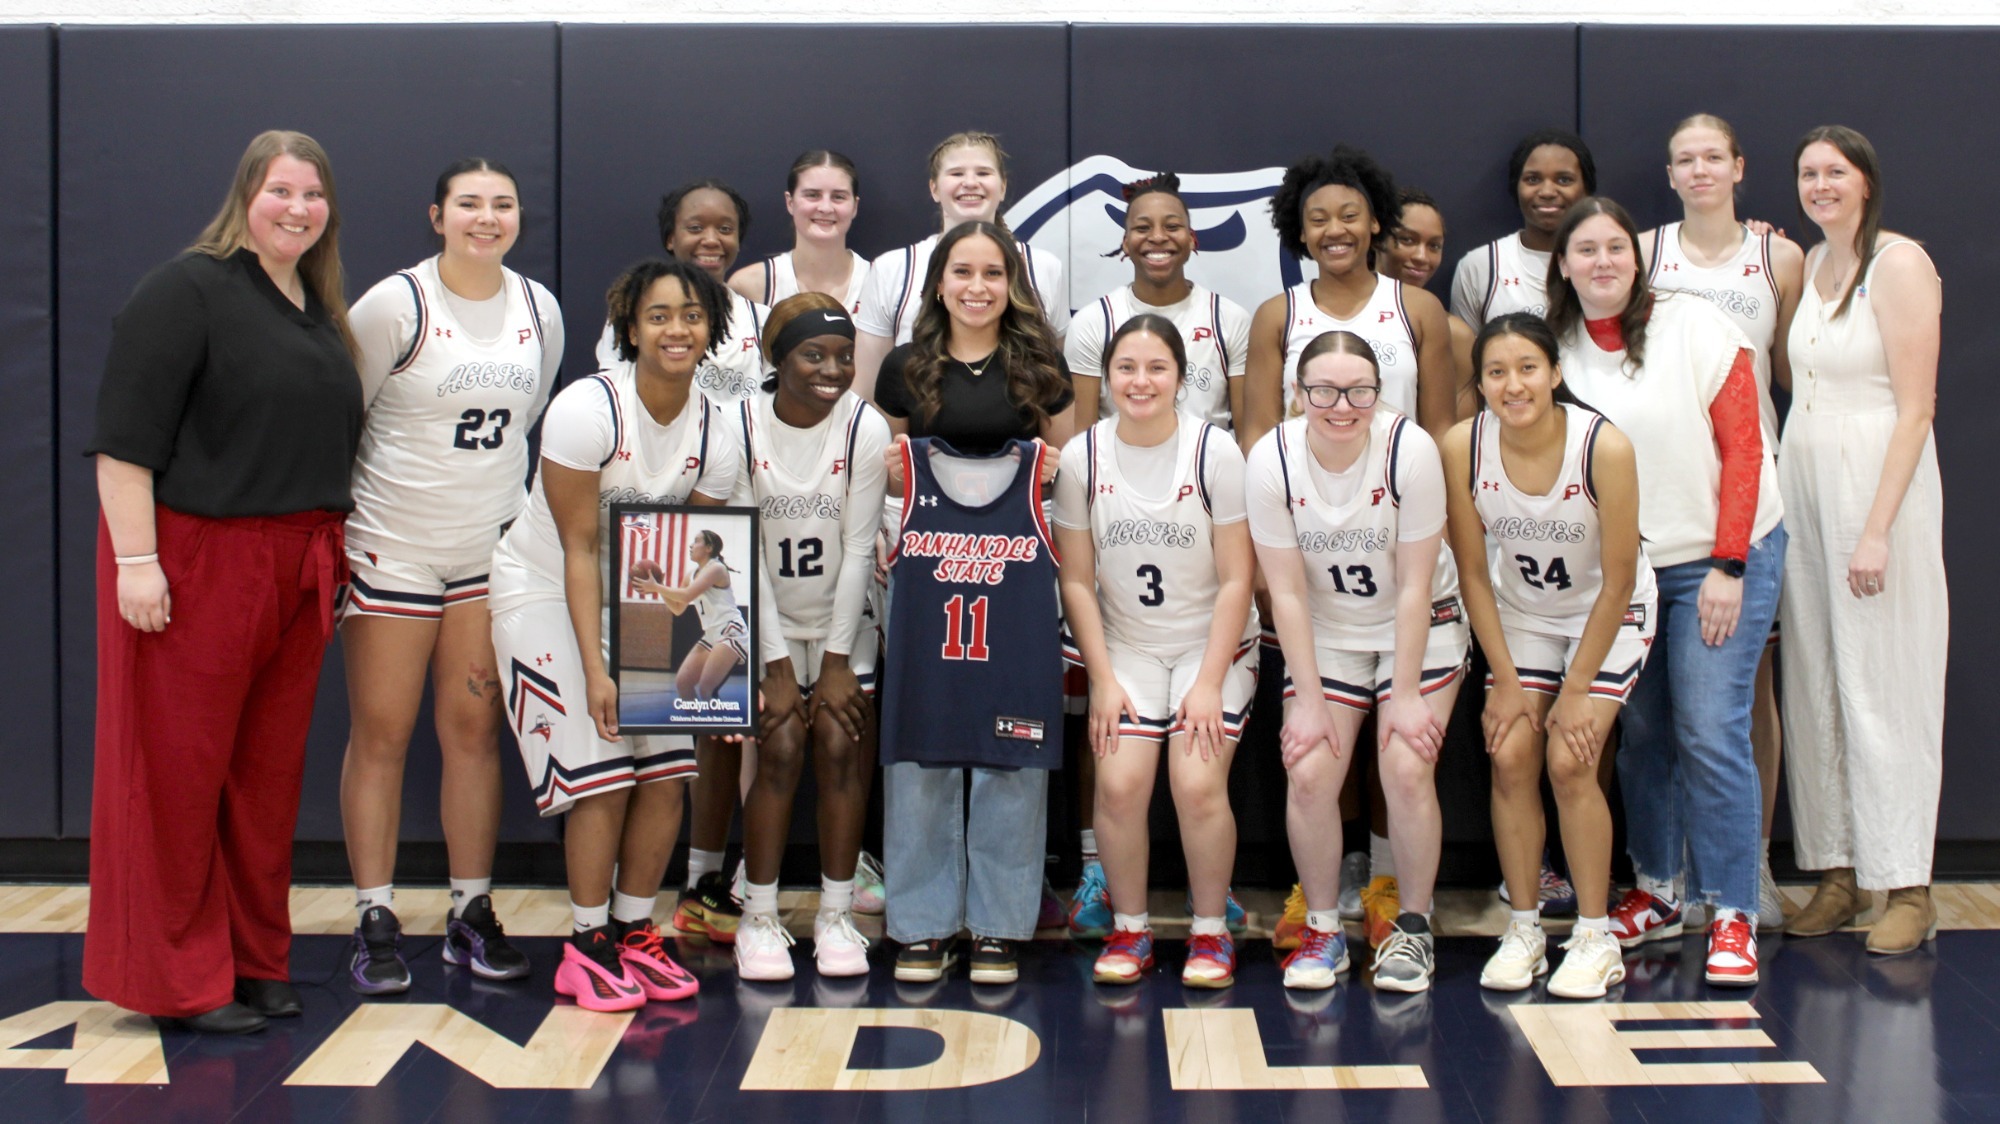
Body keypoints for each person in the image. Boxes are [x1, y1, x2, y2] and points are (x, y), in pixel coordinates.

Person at [84, 130, 361, 1034]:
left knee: (264, 778)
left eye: (313, 195)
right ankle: (178, 979)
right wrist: (137, 564)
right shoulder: (185, 290)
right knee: (176, 776)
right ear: (247, 194)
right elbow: (125, 445)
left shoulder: (316, 309)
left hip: (297, 563)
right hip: (196, 559)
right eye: (281, 190)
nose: (298, 208)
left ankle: (254, 960)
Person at [488, 258, 742, 1012]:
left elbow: (681, 559)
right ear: (631, 328)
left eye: (691, 316)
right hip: (543, 589)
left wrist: (714, 695)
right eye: (659, 315)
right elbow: (579, 548)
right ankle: (586, 943)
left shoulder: (715, 436)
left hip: (632, 597)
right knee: (601, 773)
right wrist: (598, 672)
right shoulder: (586, 408)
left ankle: (635, 931)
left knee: (668, 772)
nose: (677, 329)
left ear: (711, 330)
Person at [1546, 197, 1785, 987]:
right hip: (1627, 576)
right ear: (1565, 265)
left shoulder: (1697, 326)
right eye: (1586, 250)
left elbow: (1745, 446)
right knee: (1644, 735)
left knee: (1712, 730)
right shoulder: (1556, 349)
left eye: (1616, 246)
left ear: (1637, 258)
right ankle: (1658, 888)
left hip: (1722, 555)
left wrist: (1729, 566)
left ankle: (1732, 911)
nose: (1603, 262)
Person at [337, 157, 562, 996]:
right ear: (438, 215)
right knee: (383, 732)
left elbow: (527, 419)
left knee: (473, 733)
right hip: (392, 544)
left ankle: (469, 911)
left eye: (502, 204)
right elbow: (345, 414)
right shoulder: (398, 304)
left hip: (484, 551)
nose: (486, 218)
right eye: (469, 204)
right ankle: (374, 914)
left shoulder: (539, 306)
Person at [874, 219, 1075, 986]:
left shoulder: (1039, 369)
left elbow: (1069, 467)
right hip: (928, 576)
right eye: (963, 272)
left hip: (1018, 574)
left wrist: (1037, 474)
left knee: (1011, 746)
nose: (978, 287)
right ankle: (922, 923)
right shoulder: (906, 368)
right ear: (939, 282)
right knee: (922, 736)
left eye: (993, 273)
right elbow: (885, 471)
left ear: (1012, 283)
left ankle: (997, 923)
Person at [1441, 314, 1657, 999]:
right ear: (1479, 384)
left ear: (1556, 373)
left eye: (1527, 368)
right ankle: (1526, 927)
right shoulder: (1461, 446)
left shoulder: (1605, 448)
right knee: (1509, 753)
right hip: (1525, 611)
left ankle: (1595, 937)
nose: (1514, 385)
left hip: (1608, 611)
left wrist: (1576, 689)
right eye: (1496, 372)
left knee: (1570, 758)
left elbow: (1619, 577)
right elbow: (1472, 572)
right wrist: (1505, 681)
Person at [1246, 331, 1467, 994]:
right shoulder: (1271, 458)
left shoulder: (1411, 449)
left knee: (1404, 764)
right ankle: (1322, 929)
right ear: (1297, 393)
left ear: (1380, 393)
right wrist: (1308, 698)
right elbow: (1283, 589)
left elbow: (1415, 586)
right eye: (1324, 390)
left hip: (1420, 626)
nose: (1342, 405)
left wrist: (1402, 693)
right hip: (1329, 632)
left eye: (1359, 390)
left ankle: (1414, 928)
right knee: (1311, 769)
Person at [1780, 125, 1946, 955]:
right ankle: (1838, 872)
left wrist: (1876, 529)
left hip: (1876, 481)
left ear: (1866, 180)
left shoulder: (1902, 263)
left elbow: (1916, 409)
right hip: (1804, 477)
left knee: (1886, 680)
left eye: (1834, 172)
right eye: (1808, 174)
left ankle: (1908, 884)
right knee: (1816, 684)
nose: (1820, 185)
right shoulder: (1812, 264)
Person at [1055, 315, 1258, 989]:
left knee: (1196, 784)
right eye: (1126, 369)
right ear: (1107, 379)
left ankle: (1209, 931)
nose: (1141, 381)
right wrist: (1103, 678)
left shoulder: (1215, 452)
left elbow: (1237, 580)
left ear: (1181, 377)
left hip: (1212, 642)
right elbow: (1077, 581)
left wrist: (1207, 681)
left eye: (1156, 368)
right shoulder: (1084, 456)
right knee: (1118, 783)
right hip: (1129, 645)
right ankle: (1132, 929)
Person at [1639, 114, 1806, 930]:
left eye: (1714, 157)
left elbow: (1790, 374)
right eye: (1685, 159)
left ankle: (1750, 871)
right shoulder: (1640, 253)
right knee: (1660, 719)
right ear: (1669, 173)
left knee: (1739, 703)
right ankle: (1667, 883)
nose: (1700, 169)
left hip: (1746, 498)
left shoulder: (1778, 256)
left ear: (1740, 166)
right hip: (1666, 508)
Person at [721, 294, 891, 980]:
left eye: (845, 356)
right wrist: (775, 666)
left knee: (839, 743)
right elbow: (740, 553)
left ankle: (834, 914)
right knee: (782, 745)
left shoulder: (864, 428)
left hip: (844, 620)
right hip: (765, 621)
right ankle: (758, 917)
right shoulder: (736, 424)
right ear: (775, 357)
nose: (833, 369)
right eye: (813, 355)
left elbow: (857, 549)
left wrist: (841, 660)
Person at [1244, 147, 1455, 446]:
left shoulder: (1419, 309)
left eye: (1349, 216)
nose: (1335, 230)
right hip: (1301, 489)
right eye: (1318, 220)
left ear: (1375, 222)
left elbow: (1441, 430)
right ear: (1302, 232)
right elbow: (1258, 435)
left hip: (1397, 488)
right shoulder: (1276, 316)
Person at [854, 131, 1070, 401]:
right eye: (956, 174)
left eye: (983, 173)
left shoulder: (1044, 267)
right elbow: (868, 390)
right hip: (916, 437)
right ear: (934, 188)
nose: (970, 183)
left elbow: (1056, 376)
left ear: (1002, 187)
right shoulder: (891, 268)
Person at [1064, 173, 1250, 430]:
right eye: (1143, 228)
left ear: (1191, 239)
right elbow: (1082, 439)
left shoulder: (1230, 319)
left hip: (1206, 468)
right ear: (1126, 243)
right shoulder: (1093, 322)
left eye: (1172, 226)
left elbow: (1247, 434)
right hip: (1118, 469)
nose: (1158, 237)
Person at [596, 178, 769, 403]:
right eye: (695, 228)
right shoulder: (633, 313)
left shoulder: (761, 321)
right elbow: (613, 397)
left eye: (725, 229)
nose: (711, 240)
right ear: (671, 238)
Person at [1450, 129, 1596, 329]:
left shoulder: (1611, 263)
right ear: (1515, 187)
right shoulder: (1480, 266)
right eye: (1533, 179)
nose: (1547, 192)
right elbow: (1465, 355)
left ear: (1586, 189)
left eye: (1564, 180)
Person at [729, 150, 869, 314]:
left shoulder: (881, 283)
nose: (825, 208)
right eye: (812, 195)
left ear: (854, 207)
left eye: (838, 197)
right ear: (790, 202)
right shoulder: (749, 286)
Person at [633, 530, 750, 701]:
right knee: (683, 683)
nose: (690, 545)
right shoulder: (691, 574)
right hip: (711, 634)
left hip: (730, 630)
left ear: (709, 548)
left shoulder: (716, 568)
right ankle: (697, 725)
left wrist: (656, 588)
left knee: (706, 689)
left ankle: (717, 726)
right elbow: (678, 608)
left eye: (696, 541)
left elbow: (687, 595)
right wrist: (660, 586)